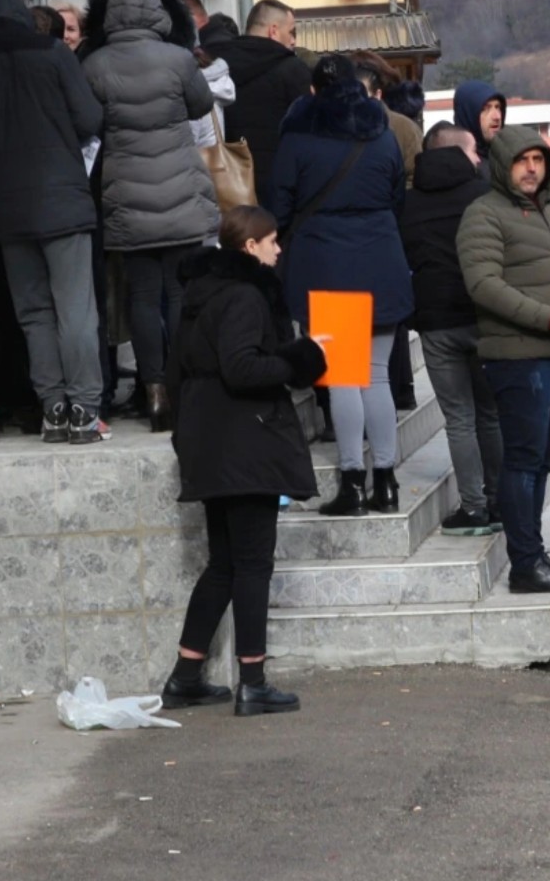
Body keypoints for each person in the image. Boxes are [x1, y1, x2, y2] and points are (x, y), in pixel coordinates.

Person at [161, 206, 327, 717]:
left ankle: (186, 677)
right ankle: (252, 681)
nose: (279, 250)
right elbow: (241, 367)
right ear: (250, 246)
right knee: (252, 565)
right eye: (273, 241)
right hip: (244, 442)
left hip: (211, 440)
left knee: (225, 565)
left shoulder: (200, 294)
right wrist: (302, 356)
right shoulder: (244, 295)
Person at [0, 0, 108, 443]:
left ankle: (53, 408)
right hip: (65, 203)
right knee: (76, 310)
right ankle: (84, 410)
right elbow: (90, 119)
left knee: (34, 313)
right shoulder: (54, 53)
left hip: (7, 211)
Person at [457, 126, 550, 593]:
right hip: (519, 356)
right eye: (522, 161)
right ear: (502, 165)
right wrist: (548, 319)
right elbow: (483, 285)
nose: (531, 168)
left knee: (547, 455)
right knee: (523, 459)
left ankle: (534, 550)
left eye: (539, 160)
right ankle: (525, 563)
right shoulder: (483, 215)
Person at [272, 54, 414, 515]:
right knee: (376, 375)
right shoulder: (384, 137)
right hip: (382, 261)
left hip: (327, 265)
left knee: (344, 378)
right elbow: (395, 198)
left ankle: (353, 482)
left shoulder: (297, 140)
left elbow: (280, 205)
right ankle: (387, 482)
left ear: (312, 93)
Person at [80, 0, 218, 432]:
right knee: (178, 292)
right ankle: (181, 386)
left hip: (127, 194)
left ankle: (153, 389)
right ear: (159, 11)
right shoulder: (179, 59)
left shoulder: (95, 64)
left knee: (141, 295)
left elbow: (91, 123)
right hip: (179, 188)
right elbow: (200, 108)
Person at [400, 123, 502, 536]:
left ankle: (473, 508)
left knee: (458, 418)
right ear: (460, 153)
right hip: (483, 316)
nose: (479, 158)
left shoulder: (406, 205)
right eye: (475, 151)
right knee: (490, 414)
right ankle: (498, 500)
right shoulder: (482, 197)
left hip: (435, 320)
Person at [352, 51, 424, 412]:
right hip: (388, 235)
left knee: (346, 381)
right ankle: (402, 390)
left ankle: (353, 455)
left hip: (340, 251)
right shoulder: (403, 128)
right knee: (388, 319)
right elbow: (414, 178)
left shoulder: (323, 129)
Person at [212, 0, 313, 208]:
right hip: (281, 189)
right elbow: (310, 133)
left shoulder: (218, 66)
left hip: (227, 186)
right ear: (273, 31)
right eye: (291, 31)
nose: (293, 40)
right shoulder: (293, 70)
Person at [451, 80, 506, 159]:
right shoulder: (456, 165)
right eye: (486, 109)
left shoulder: (507, 159)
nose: (497, 117)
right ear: (468, 115)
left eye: (498, 107)